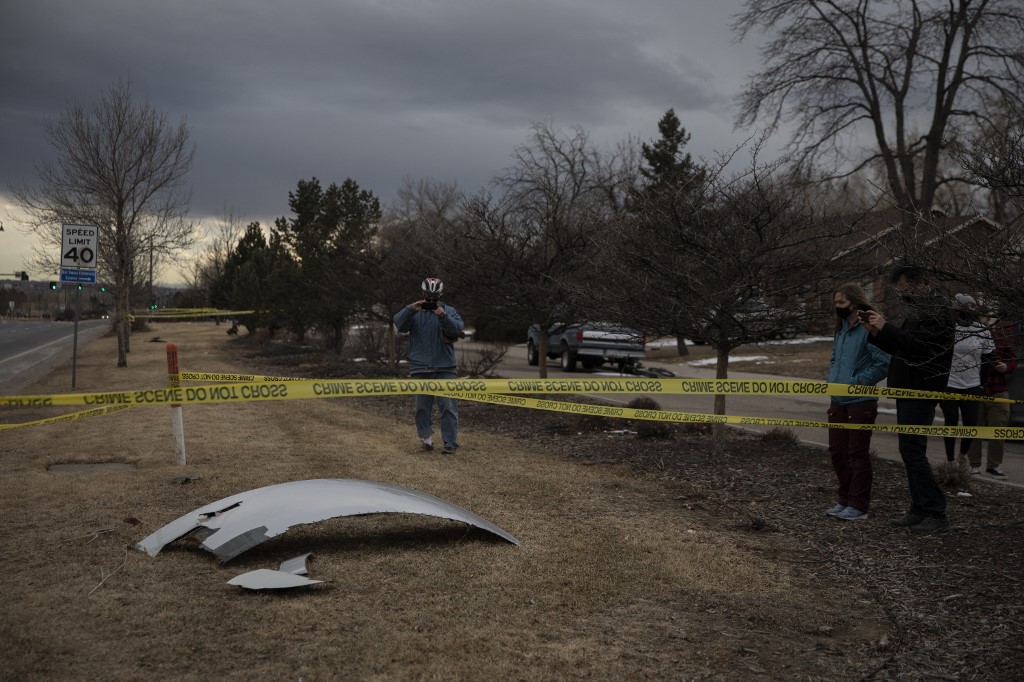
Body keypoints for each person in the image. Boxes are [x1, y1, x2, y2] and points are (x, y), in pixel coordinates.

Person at [862, 265, 955, 535]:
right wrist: (877, 332)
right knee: (910, 452)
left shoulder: (938, 312)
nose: (901, 294)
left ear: (920, 283)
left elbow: (920, 348)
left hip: (921, 390)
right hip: (907, 389)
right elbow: (902, 346)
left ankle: (936, 511)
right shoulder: (920, 312)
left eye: (902, 288)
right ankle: (919, 508)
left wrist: (886, 326)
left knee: (914, 452)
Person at [825, 284, 891, 521]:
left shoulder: (869, 329)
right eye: (835, 303)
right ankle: (844, 499)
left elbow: (882, 364)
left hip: (860, 401)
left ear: (854, 303)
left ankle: (858, 505)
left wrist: (856, 382)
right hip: (837, 399)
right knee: (837, 452)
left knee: (857, 454)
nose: (837, 307)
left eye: (841, 303)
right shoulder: (841, 328)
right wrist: (832, 378)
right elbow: (834, 357)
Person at [393, 277, 465, 454]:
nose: (431, 299)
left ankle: (450, 443)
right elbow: (399, 324)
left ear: (440, 294)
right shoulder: (414, 311)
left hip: (445, 367)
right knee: (421, 407)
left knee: (448, 406)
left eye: (435, 296)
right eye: (428, 295)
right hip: (420, 366)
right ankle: (427, 440)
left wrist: (443, 316)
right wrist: (411, 309)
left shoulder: (449, 311)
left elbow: (457, 329)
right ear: (423, 293)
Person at [939, 294, 994, 464]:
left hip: (972, 384)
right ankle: (950, 460)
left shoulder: (982, 330)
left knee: (970, 422)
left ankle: (962, 455)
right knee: (951, 421)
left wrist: (981, 384)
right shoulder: (949, 329)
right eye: (967, 308)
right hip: (950, 383)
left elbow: (987, 358)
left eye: (973, 308)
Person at [966, 308, 1018, 477]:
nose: (986, 319)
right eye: (983, 316)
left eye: (988, 317)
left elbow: (1012, 359)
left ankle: (994, 465)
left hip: (998, 389)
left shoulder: (1000, 336)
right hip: (976, 388)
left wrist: (1006, 367)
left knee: (999, 429)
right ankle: (974, 464)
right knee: (975, 429)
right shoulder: (970, 336)